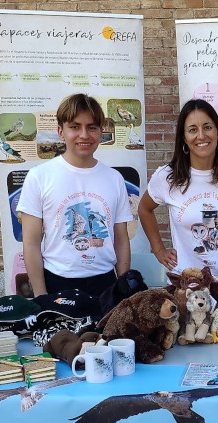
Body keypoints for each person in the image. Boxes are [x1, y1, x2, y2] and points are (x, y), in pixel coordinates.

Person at [17, 93, 132, 297]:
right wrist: (42, 296)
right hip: (57, 283)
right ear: (61, 132)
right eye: (75, 126)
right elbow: (31, 243)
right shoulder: (39, 177)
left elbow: (121, 240)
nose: (84, 134)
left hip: (105, 283)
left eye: (92, 127)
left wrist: (123, 291)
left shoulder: (115, 179)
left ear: (100, 132)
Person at [139, 99, 218, 282]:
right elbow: (144, 209)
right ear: (184, 137)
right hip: (185, 285)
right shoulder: (167, 177)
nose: (201, 135)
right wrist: (158, 249)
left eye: (207, 127)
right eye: (192, 129)